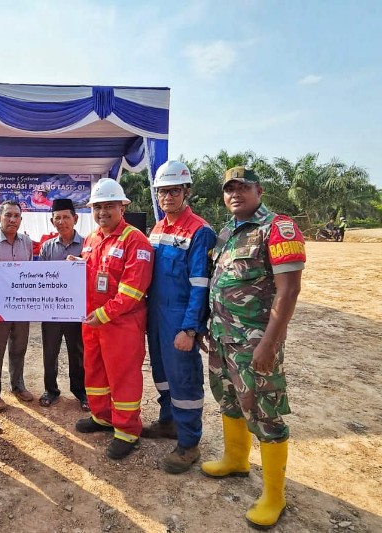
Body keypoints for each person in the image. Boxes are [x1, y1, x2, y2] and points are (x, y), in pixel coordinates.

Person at [203, 166, 305, 529]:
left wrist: (269, 343)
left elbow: (288, 291)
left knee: (264, 413)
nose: (235, 194)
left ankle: (274, 497)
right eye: (229, 189)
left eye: (243, 188)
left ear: (258, 190)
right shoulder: (227, 231)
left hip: (255, 344)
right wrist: (208, 326)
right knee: (229, 400)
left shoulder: (277, 228)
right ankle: (236, 459)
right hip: (222, 338)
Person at [144, 161, 216, 473]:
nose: (167, 196)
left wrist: (190, 328)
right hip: (156, 315)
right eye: (162, 191)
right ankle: (168, 423)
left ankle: (189, 443)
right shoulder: (158, 228)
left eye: (174, 190)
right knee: (161, 374)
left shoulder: (200, 231)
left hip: (180, 317)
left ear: (186, 192)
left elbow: (201, 285)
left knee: (184, 379)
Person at [75, 178, 153, 460]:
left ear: (122, 206)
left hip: (121, 323)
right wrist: (76, 269)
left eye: (108, 206)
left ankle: (127, 431)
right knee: (95, 372)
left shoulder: (136, 240)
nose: (102, 213)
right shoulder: (91, 238)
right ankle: (102, 417)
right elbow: (92, 273)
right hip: (93, 321)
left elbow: (133, 290)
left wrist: (105, 314)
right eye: (97, 207)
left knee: (122, 377)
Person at [0, 200, 35, 411]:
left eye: (16, 216)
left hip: (21, 305)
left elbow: (29, 272)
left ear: (21, 219)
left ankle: (18, 385)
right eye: (8, 215)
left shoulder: (27, 243)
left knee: (19, 346)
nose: (12, 219)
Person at [37, 198, 87, 410]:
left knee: (78, 352)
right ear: (52, 221)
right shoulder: (47, 248)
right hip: (51, 310)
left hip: (76, 310)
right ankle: (51, 390)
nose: (62, 221)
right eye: (57, 218)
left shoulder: (87, 244)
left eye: (66, 217)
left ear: (75, 219)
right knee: (50, 351)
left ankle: (81, 391)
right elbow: (40, 278)